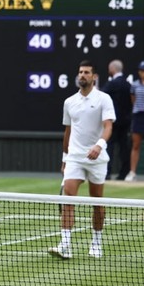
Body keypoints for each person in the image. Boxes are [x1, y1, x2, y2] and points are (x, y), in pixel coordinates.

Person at [49, 60, 115, 260]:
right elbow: (68, 131)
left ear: (94, 77)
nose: (83, 75)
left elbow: (108, 126)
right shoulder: (69, 102)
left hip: (97, 158)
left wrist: (99, 146)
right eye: (80, 72)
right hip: (75, 158)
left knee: (97, 203)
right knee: (68, 200)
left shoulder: (104, 99)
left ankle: (96, 243)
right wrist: (65, 158)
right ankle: (65, 245)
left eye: (86, 72)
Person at [101, 60, 131, 181]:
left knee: (110, 146)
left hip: (113, 121)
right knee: (124, 147)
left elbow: (100, 95)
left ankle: (107, 172)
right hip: (126, 121)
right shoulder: (128, 84)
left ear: (112, 69)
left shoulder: (112, 84)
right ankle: (124, 173)